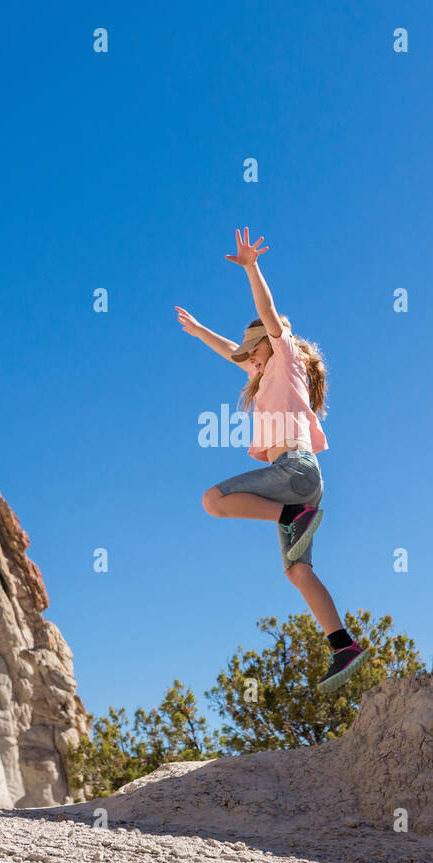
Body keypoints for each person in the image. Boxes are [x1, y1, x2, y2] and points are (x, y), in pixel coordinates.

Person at [175, 227, 371, 692]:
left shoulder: (286, 357)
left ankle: (291, 516)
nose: (250, 359)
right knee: (297, 571)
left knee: (214, 499)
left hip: (296, 473)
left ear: (270, 342)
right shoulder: (262, 372)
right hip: (298, 481)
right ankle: (343, 645)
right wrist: (200, 330)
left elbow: (267, 313)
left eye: (254, 349)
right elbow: (230, 352)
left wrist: (251, 267)